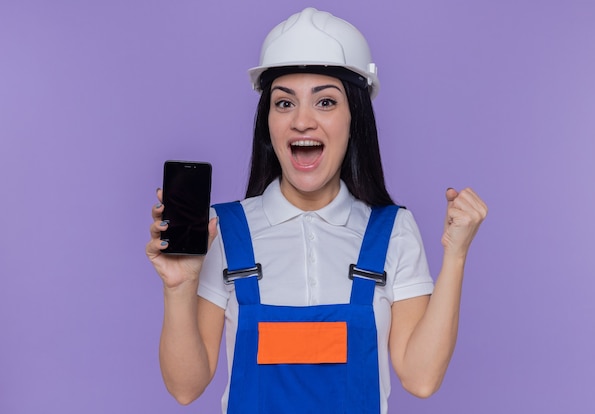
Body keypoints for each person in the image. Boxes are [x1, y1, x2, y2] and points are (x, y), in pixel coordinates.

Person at [146, 7, 487, 414]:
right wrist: (180, 287)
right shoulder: (223, 230)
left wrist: (456, 254)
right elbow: (185, 388)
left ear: (354, 119)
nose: (303, 121)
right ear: (268, 124)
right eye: (284, 103)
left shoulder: (392, 230)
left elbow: (421, 377)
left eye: (325, 102)